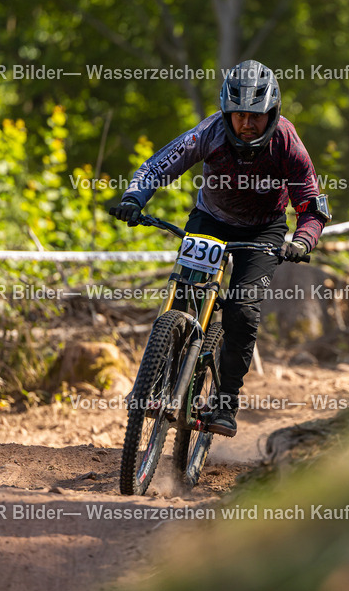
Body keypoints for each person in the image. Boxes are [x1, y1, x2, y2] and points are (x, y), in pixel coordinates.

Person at [110, 60, 331, 437]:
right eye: (239, 115)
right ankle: (158, 377)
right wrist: (135, 197)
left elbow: (312, 205)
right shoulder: (209, 132)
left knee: (243, 310)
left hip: (264, 230)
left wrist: (302, 240)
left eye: (256, 117)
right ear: (227, 113)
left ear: (272, 113)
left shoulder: (287, 142)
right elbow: (157, 165)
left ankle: (226, 401)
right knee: (184, 292)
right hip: (210, 219)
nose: (247, 124)